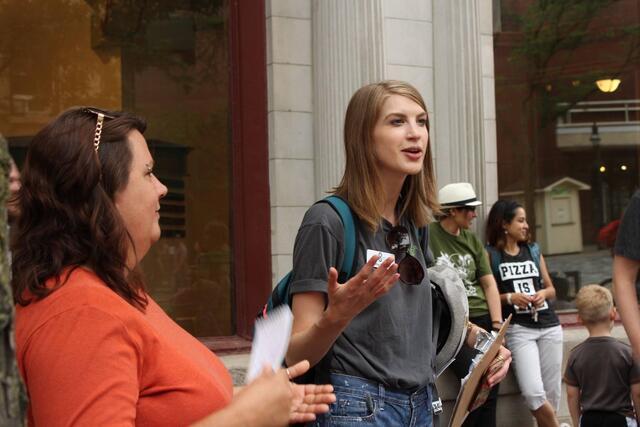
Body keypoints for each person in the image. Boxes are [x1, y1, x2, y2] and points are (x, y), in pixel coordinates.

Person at [11, 107, 335, 426]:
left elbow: (166, 404)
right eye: (148, 172)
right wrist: (245, 416)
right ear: (102, 194)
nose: (162, 188)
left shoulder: (108, 290)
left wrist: (254, 400)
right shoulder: (81, 314)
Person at [285, 80, 511, 426]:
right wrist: (338, 315)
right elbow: (296, 355)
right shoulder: (327, 221)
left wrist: (486, 345)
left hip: (421, 403)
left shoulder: (415, 225)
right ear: (363, 135)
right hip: (356, 406)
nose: (415, 133)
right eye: (397, 122)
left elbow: (428, 315)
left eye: (421, 121)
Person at [428, 182, 503, 427]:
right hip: (451, 322)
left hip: (480, 319)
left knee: (491, 379)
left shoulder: (471, 239)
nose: (475, 214)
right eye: (469, 209)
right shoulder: (428, 235)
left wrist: (496, 324)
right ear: (452, 211)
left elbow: (489, 284)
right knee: (475, 377)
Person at [485, 199, 562, 427]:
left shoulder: (533, 251)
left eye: (525, 220)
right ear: (504, 225)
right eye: (521, 220)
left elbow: (551, 289)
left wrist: (542, 294)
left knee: (552, 394)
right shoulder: (491, 255)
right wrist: (510, 297)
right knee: (533, 393)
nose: (526, 225)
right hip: (520, 329)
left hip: (549, 325)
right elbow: (488, 294)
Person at [564, 284, 640, 427]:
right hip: (620, 419)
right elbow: (637, 393)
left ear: (580, 319)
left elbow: (572, 394)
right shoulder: (627, 353)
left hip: (589, 420)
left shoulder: (575, 355)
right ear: (613, 313)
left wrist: (576, 422)